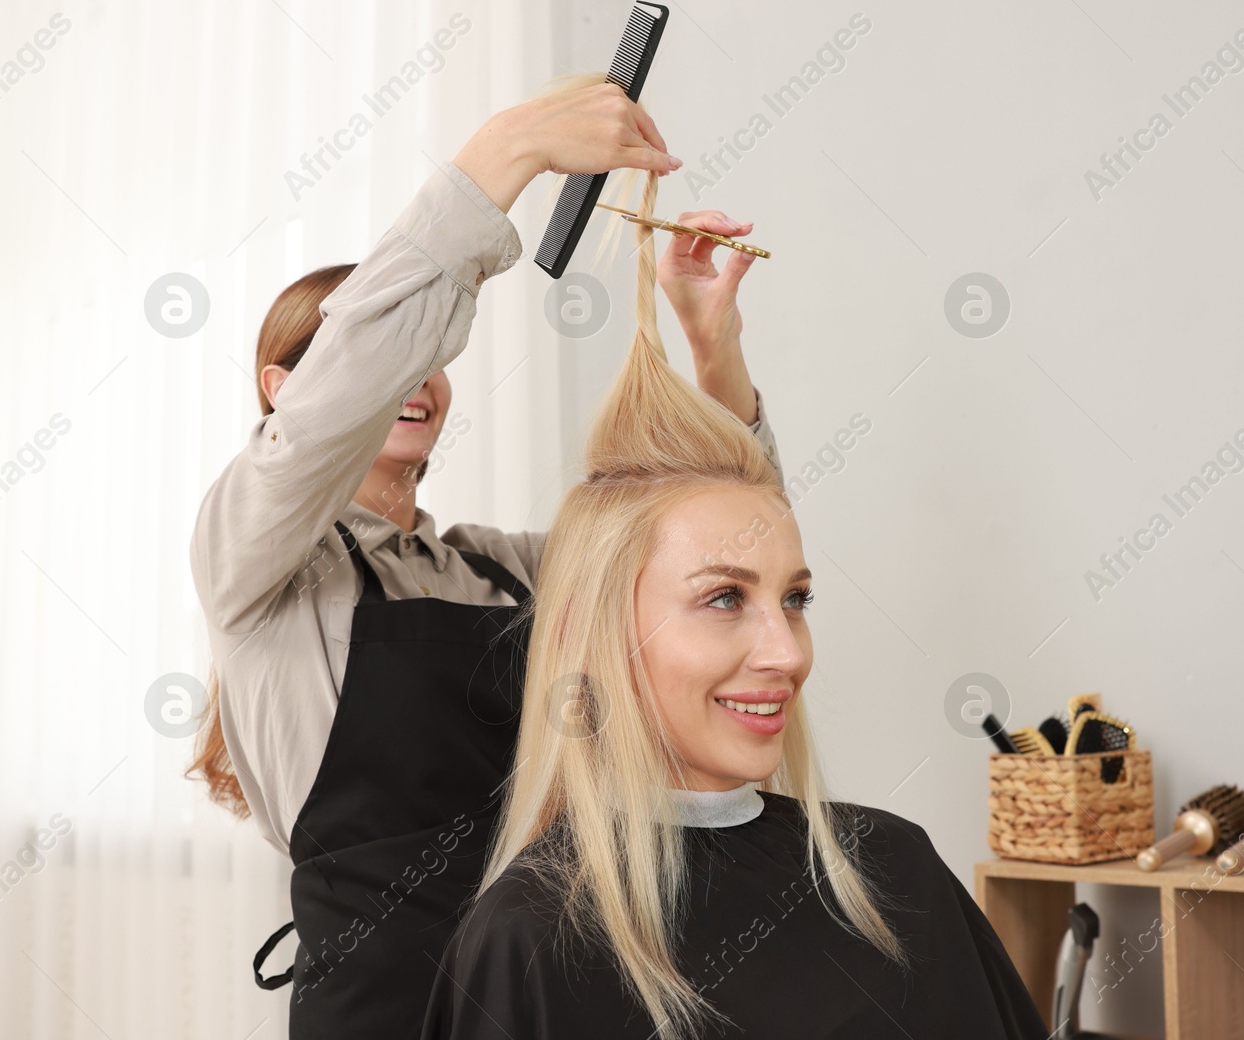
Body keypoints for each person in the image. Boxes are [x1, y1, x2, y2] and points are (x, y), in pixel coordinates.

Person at [186, 76, 782, 1039]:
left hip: (550, 987)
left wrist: (713, 344)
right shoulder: (258, 566)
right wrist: (505, 154)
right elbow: (346, 389)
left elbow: (721, 555)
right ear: (280, 391)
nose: (415, 377)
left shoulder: (500, 568)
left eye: (430, 360)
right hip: (379, 1008)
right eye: (382, 358)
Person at [421, 168, 1050, 1040]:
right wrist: (508, 153)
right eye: (723, 598)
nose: (787, 652)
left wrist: (717, 349)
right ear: (592, 635)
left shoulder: (891, 871)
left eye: (794, 600)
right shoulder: (531, 943)